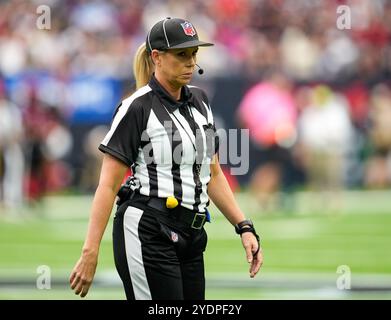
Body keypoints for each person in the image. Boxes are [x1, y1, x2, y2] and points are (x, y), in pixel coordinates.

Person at [70, 17, 263, 300]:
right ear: (157, 57)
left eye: (194, 54)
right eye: (181, 54)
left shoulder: (201, 101)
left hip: (192, 235)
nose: (190, 62)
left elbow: (212, 174)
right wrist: (90, 251)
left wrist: (244, 226)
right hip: (148, 229)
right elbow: (108, 186)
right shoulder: (136, 107)